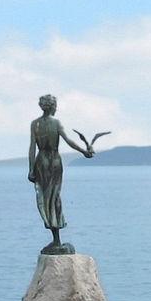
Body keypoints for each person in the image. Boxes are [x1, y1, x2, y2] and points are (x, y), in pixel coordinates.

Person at [29, 94, 101, 253]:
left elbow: (32, 148)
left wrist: (31, 169)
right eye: (55, 105)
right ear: (52, 106)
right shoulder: (56, 123)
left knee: (45, 197)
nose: (56, 108)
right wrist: (83, 151)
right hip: (54, 161)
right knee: (54, 197)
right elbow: (68, 141)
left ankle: (55, 237)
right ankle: (56, 239)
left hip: (41, 162)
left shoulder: (35, 124)